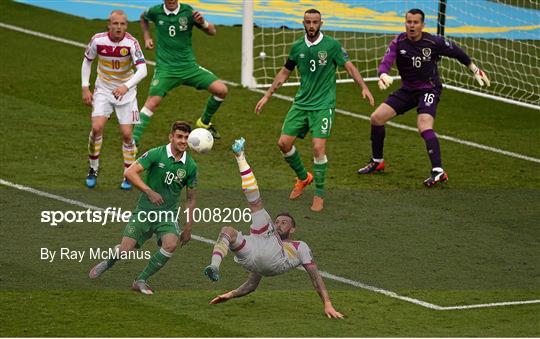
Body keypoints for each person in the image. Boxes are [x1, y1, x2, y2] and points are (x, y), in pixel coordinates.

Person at [203, 138, 344, 319]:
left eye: (284, 222)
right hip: (254, 250)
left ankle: (240, 157)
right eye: (278, 221)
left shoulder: (300, 247)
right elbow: (251, 284)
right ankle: (214, 267)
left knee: (257, 206)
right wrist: (229, 295)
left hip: (275, 258)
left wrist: (327, 304)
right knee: (231, 228)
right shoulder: (267, 232)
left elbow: (315, 276)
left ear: (293, 229)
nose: (279, 224)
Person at [255, 9, 374, 212]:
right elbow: (285, 72)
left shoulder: (332, 46)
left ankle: (319, 194)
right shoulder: (297, 47)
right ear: (303, 23)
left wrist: (363, 86)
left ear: (321, 23)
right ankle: (304, 178)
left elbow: (350, 67)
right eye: (308, 22)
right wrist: (267, 95)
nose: (311, 26)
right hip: (301, 103)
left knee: (318, 148)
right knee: (283, 143)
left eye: (315, 22)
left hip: (323, 105)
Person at [357, 8, 490, 187]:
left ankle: (438, 171)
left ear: (422, 25)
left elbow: (457, 52)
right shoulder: (398, 41)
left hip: (429, 89)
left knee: (424, 125)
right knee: (376, 118)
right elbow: (386, 61)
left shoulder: (433, 41)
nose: (411, 26)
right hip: (407, 90)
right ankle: (377, 161)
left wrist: (474, 69)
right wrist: (382, 74)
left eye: (415, 22)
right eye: (408, 22)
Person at [89, 121, 197, 294]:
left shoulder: (191, 166)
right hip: (145, 212)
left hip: (167, 215)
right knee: (125, 250)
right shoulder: (156, 154)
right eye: (179, 137)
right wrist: (149, 192)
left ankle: (141, 280)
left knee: (170, 244)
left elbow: (190, 198)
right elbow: (129, 173)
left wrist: (188, 227)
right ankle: (108, 262)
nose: (183, 141)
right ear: (171, 137)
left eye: (186, 137)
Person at [133, 0, 228, 145]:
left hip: (189, 67)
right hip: (166, 69)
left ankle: (204, 122)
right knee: (152, 102)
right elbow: (143, 17)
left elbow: (212, 31)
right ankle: (133, 141)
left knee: (221, 90)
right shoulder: (155, 11)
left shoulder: (188, 12)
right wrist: (147, 36)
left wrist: (202, 23)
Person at [82, 10, 148, 190]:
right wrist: (85, 87)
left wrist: (126, 86)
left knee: (127, 135)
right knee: (96, 128)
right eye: (115, 23)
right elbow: (87, 60)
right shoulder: (98, 40)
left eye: (122, 24)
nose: (119, 27)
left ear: (126, 26)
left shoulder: (132, 43)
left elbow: (143, 70)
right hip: (103, 90)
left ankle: (128, 173)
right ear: (109, 24)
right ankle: (93, 169)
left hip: (126, 93)